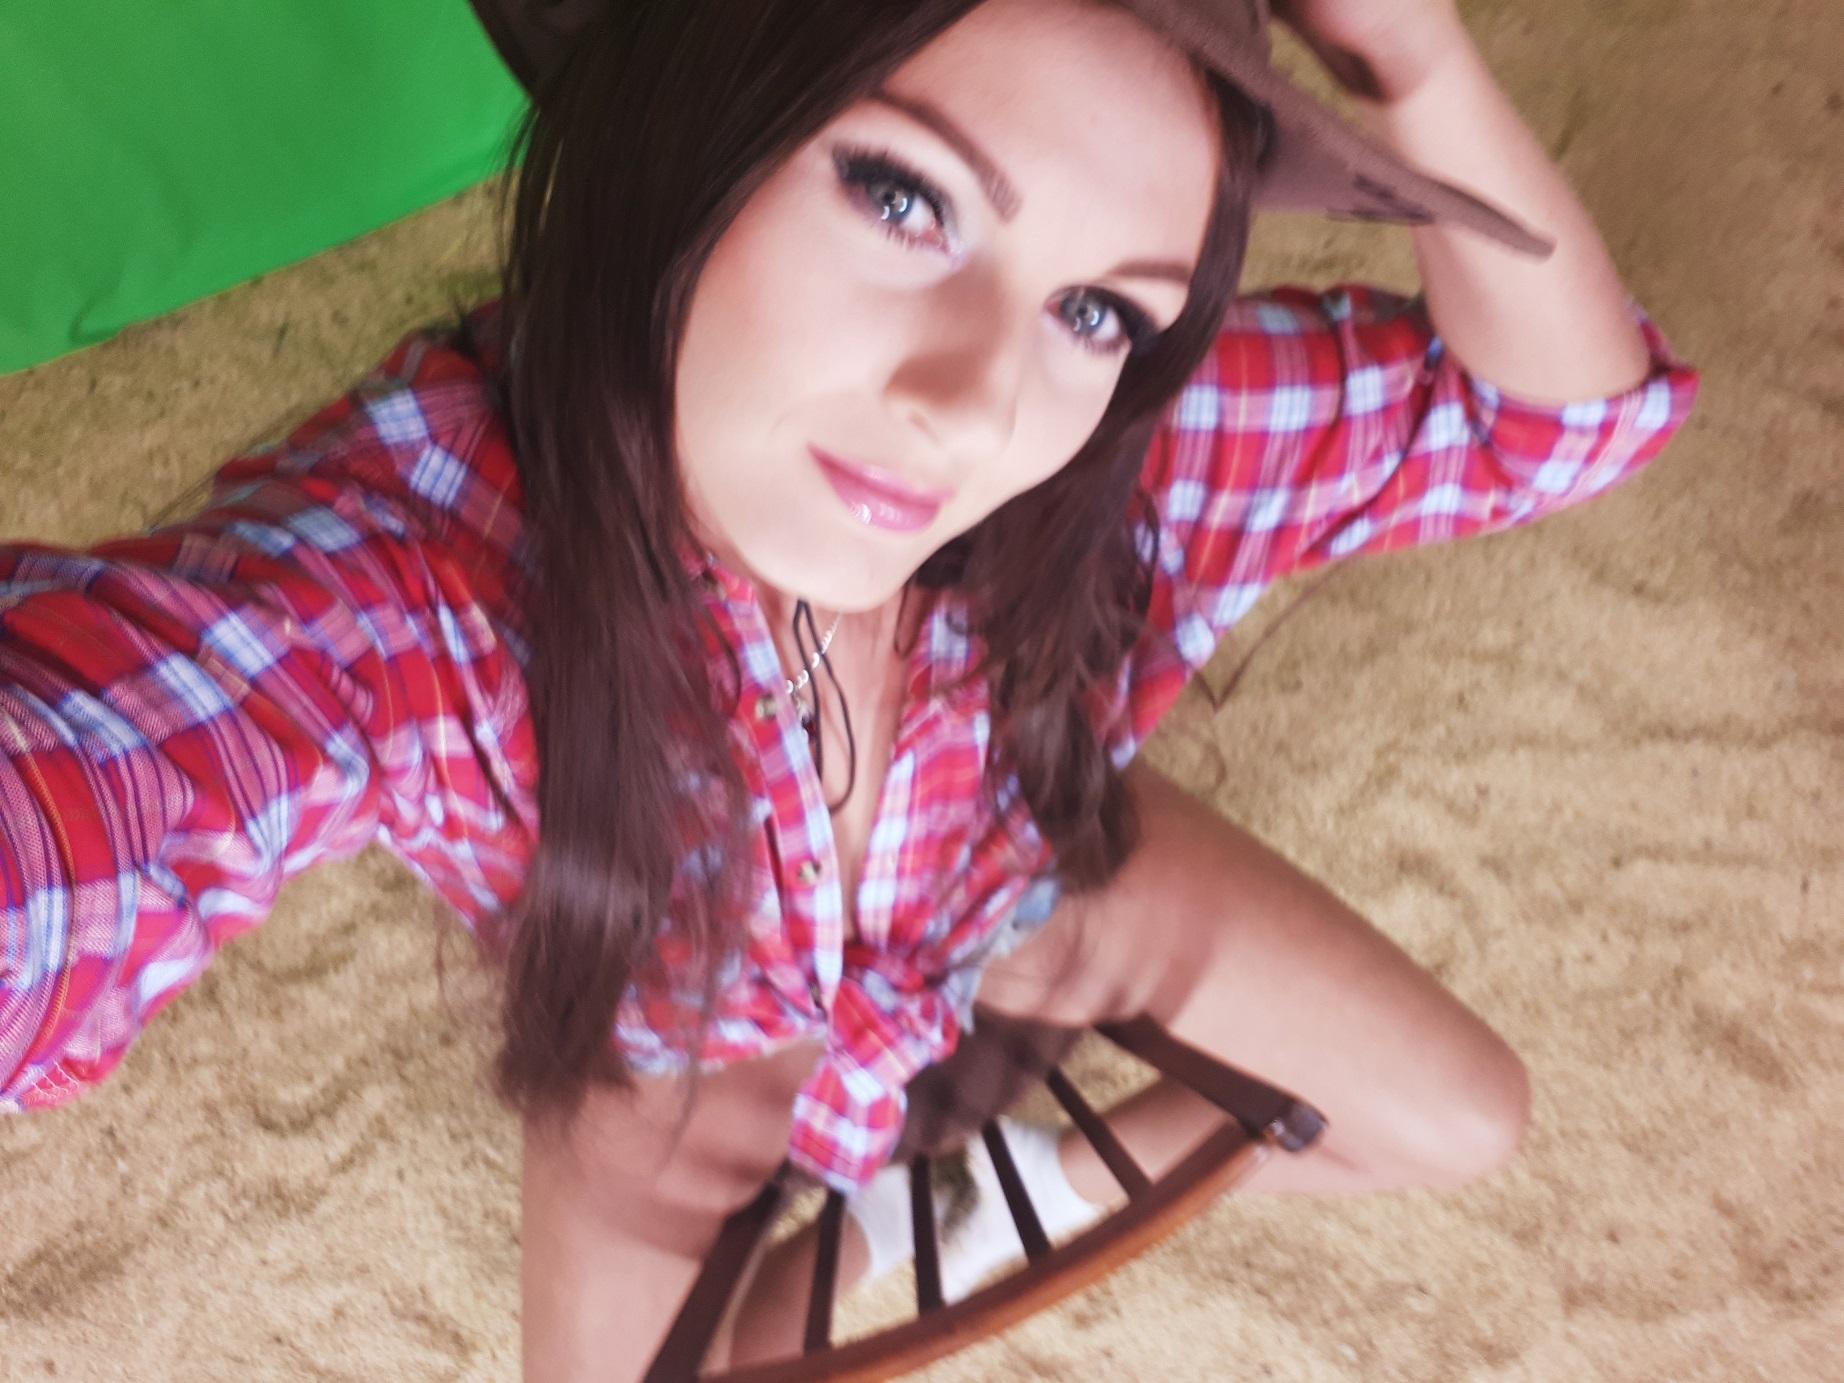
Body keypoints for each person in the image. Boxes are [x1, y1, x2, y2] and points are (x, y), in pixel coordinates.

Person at [0, 0, 1700, 1376]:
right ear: (695, 120)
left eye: (1098, 309)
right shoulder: (426, 566)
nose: (974, 408)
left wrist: (1412, 53)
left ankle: (922, 1197)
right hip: (676, 1024)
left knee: (1455, 1116)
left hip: (1005, 875)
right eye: (904, 199)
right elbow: (108, 775)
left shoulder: (1094, 460)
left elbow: (1557, 421)